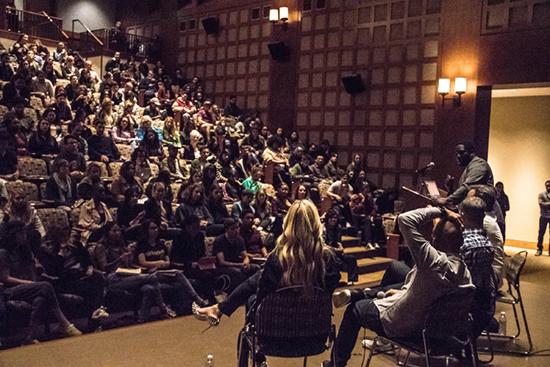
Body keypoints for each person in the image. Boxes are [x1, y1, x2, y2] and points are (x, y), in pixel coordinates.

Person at [193, 200, 341, 365]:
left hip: (272, 337)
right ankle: (219, 309)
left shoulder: (277, 259)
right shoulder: (330, 260)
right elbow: (327, 294)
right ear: (316, 224)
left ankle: (221, 310)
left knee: (252, 296)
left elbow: (262, 296)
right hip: (315, 336)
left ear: (288, 225)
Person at [330, 206, 474, 367]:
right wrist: (401, 294)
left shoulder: (432, 260)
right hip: (437, 333)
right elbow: (430, 296)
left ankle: (336, 364)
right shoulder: (465, 273)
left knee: (354, 310)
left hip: (404, 326)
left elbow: (405, 219)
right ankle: (364, 294)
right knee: (396, 287)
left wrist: (442, 211)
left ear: (434, 239)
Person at [0, 221, 82, 344]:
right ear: (12, 235)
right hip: (9, 290)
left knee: (40, 298)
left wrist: (36, 278)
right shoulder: (3, 253)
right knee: (45, 286)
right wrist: (29, 283)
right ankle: (65, 324)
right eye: (20, 233)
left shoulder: (25, 250)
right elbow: (5, 278)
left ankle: (30, 337)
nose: (24, 236)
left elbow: (33, 271)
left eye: (25, 233)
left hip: (27, 288)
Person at [93, 221, 176, 322]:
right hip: (113, 277)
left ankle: (142, 319)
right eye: (114, 231)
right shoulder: (101, 246)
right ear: (107, 232)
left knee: (149, 288)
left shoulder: (121, 244)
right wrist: (120, 259)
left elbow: (129, 263)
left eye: (118, 230)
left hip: (127, 274)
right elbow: (104, 267)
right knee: (152, 278)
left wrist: (132, 263)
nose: (117, 233)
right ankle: (163, 308)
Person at [40, 225, 108, 326]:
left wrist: (89, 267)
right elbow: (53, 271)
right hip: (65, 280)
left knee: (98, 278)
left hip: (80, 274)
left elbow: (86, 258)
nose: (65, 239)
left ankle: (95, 314)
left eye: (67, 236)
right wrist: (61, 254)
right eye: (62, 236)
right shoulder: (49, 251)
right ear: (56, 237)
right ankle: (95, 315)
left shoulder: (75, 245)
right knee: (90, 288)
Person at [136, 220, 209, 314]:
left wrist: (160, 264)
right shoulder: (141, 244)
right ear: (146, 230)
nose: (155, 230)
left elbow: (168, 262)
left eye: (156, 228)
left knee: (178, 274)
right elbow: (143, 262)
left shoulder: (161, 243)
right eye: (152, 228)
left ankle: (198, 298)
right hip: (150, 274)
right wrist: (160, 262)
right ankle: (165, 309)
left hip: (163, 272)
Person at [459, 196, 496, 339]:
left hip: (455, 306)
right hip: (479, 304)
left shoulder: (463, 244)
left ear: (462, 215)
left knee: (396, 268)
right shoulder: (488, 245)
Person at [431, 141, 494, 207]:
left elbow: (467, 187)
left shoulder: (479, 164)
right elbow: (463, 196)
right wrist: (450, 189)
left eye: (462, 153)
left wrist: (446, 200)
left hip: (484, 213)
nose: (458, 156)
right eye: (457, 153)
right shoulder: (470, 166)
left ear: (471, 152)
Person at [212, 218, 260, 294]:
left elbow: (245, 256)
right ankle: (236, 294)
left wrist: (246, 263)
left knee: (256, 268)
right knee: (237, 272)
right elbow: (222, 262)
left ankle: (254, 292)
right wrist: (239, 265)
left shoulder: (240, 239)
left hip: (237, 264)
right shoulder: (219, 241)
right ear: (226, 230)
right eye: (232, 229)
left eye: (237, 228)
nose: (236, 231)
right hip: (222, 267)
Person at [323, 209, 359, 284]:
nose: (333, 220)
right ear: (327, 219)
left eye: (335, 218)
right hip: (325, 253)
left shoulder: (338, 228)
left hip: (336, 251)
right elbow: (322, 245)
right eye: (331, 218)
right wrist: (335, 250)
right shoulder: (322, 229)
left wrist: (340, 246)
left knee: (351, 259)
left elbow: (338, 241)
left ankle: (351, 281)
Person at [536, 180, 550, 256]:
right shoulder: (541, 194)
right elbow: (541, 204)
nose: (548, 187)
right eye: (547, 186)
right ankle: (539, 249)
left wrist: (546, 204)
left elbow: (544, 204)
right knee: (541, 233)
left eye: (549, 186)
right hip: (543, 216)